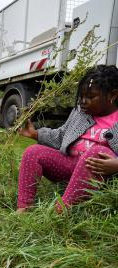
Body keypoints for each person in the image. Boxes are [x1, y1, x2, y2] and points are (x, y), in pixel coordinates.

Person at [17, 65, 118, 213]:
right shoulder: (80, 113)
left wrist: (116, 165)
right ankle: (23, 208)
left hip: (101, 175)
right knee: (33, 152)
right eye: (81, 96)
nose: (83, 101)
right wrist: (36, 134)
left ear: (113, 95)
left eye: (90, 97)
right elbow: (61, 136)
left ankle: (62, 211)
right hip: (69, 167)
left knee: (96, 152)